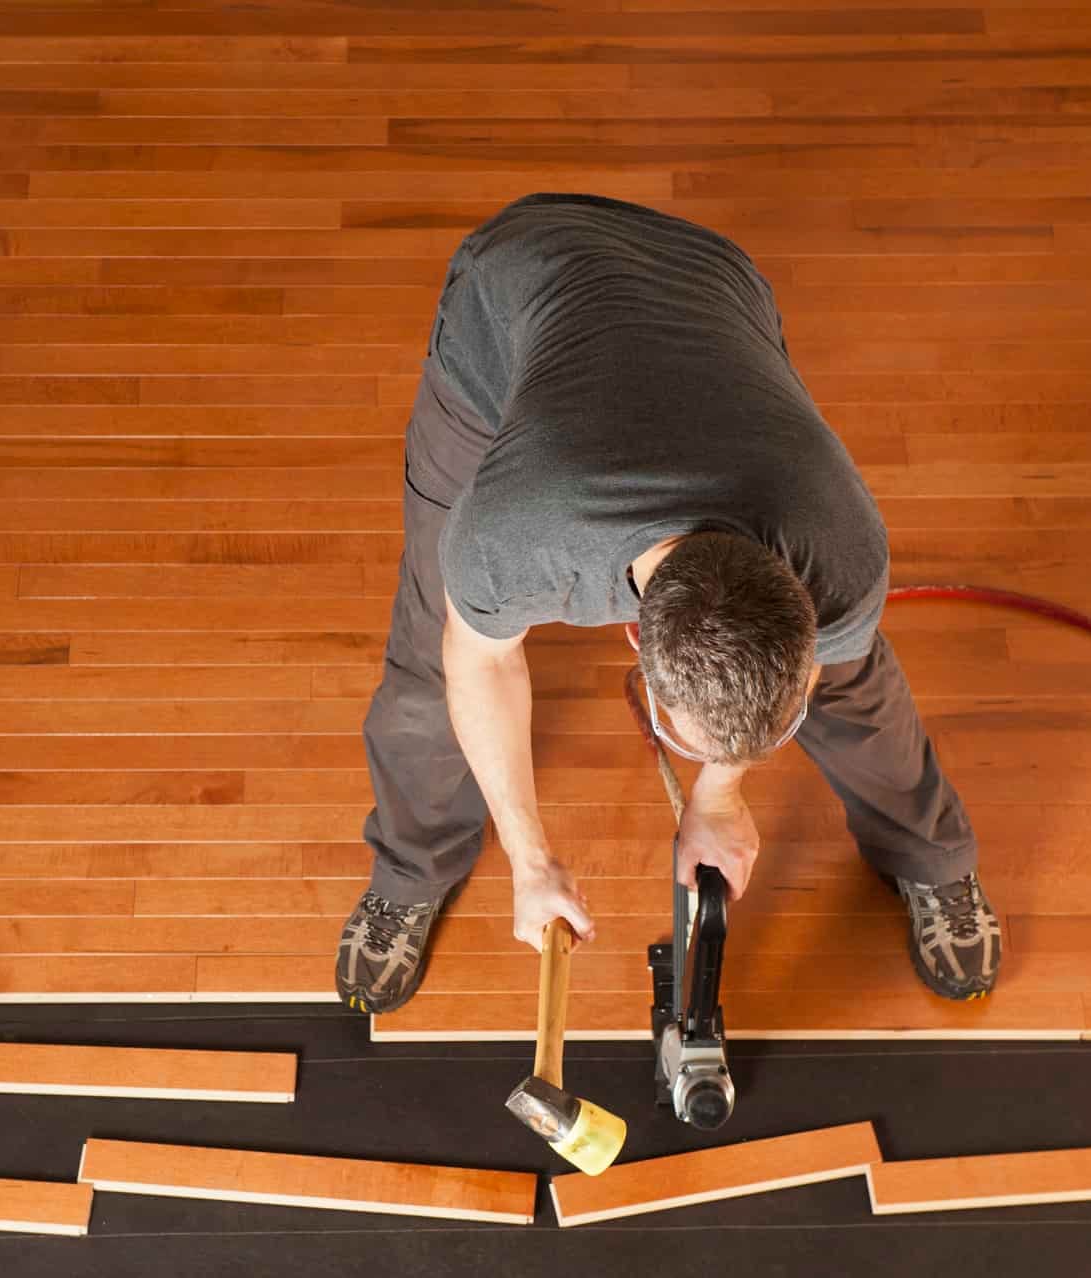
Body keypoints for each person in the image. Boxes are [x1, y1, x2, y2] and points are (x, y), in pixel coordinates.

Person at [336, 193, 1000, 1015]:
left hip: (706, 277)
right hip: (518, 282)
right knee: (431, 653)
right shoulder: (516, 535)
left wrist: (719, 798)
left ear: (799, 604)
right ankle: (410, 867)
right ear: (630, 638)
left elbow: (810, 674)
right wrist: (529, 860)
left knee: (858, 674)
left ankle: (933, 858)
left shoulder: (837, 542)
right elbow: (477, 662)